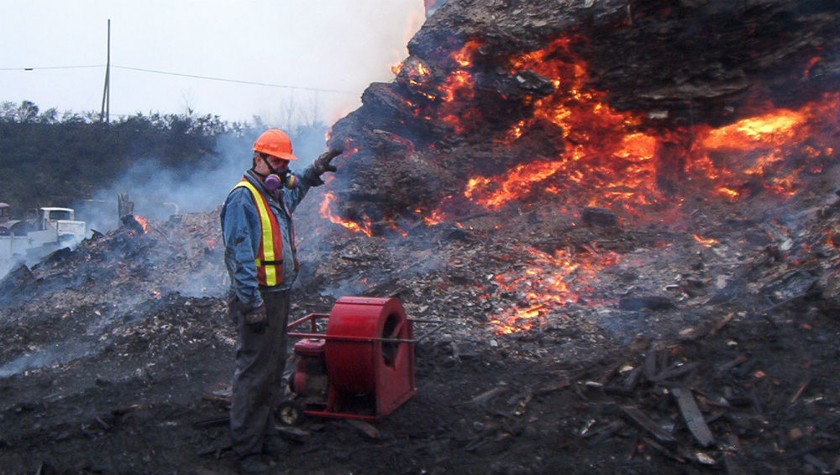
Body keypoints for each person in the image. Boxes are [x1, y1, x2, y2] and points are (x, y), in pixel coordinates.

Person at [220, 128, 341, 474]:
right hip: (259, 299)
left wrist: (315, 170)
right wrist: (251, 302)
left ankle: (266, 433)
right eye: (275, 161)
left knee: (273, 369)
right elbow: (238, 255)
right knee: (254, 372)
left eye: (285, 163)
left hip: (278, 294)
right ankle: (246, 450)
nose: (282, 170)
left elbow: (297, 189)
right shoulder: (243, 199)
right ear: (257, 158)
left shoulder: (273, 196)